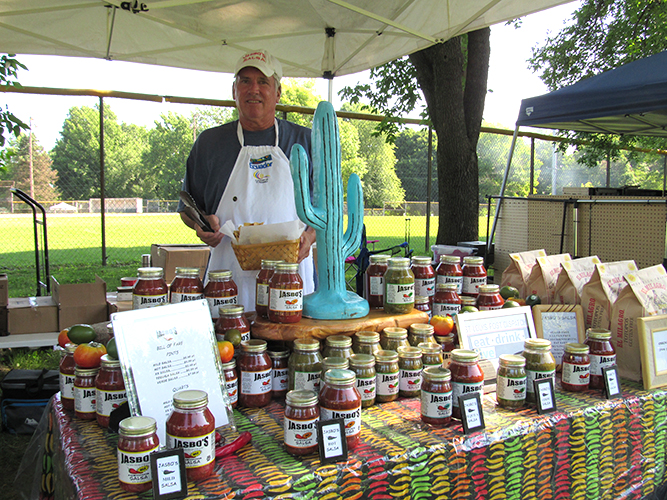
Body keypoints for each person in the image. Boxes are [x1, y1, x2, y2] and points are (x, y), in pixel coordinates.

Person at [178, 49, 316, 313]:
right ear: (233, 91)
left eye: (263, 82)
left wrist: (310, 237)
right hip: (227, 277)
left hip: (291, 275)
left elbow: (327, 209)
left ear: (278, 92)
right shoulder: (209, 143)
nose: (254, 89)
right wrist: (201, 225)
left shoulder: (305, 142)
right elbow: (187, 206)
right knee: (229, 343)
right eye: (245, 81)